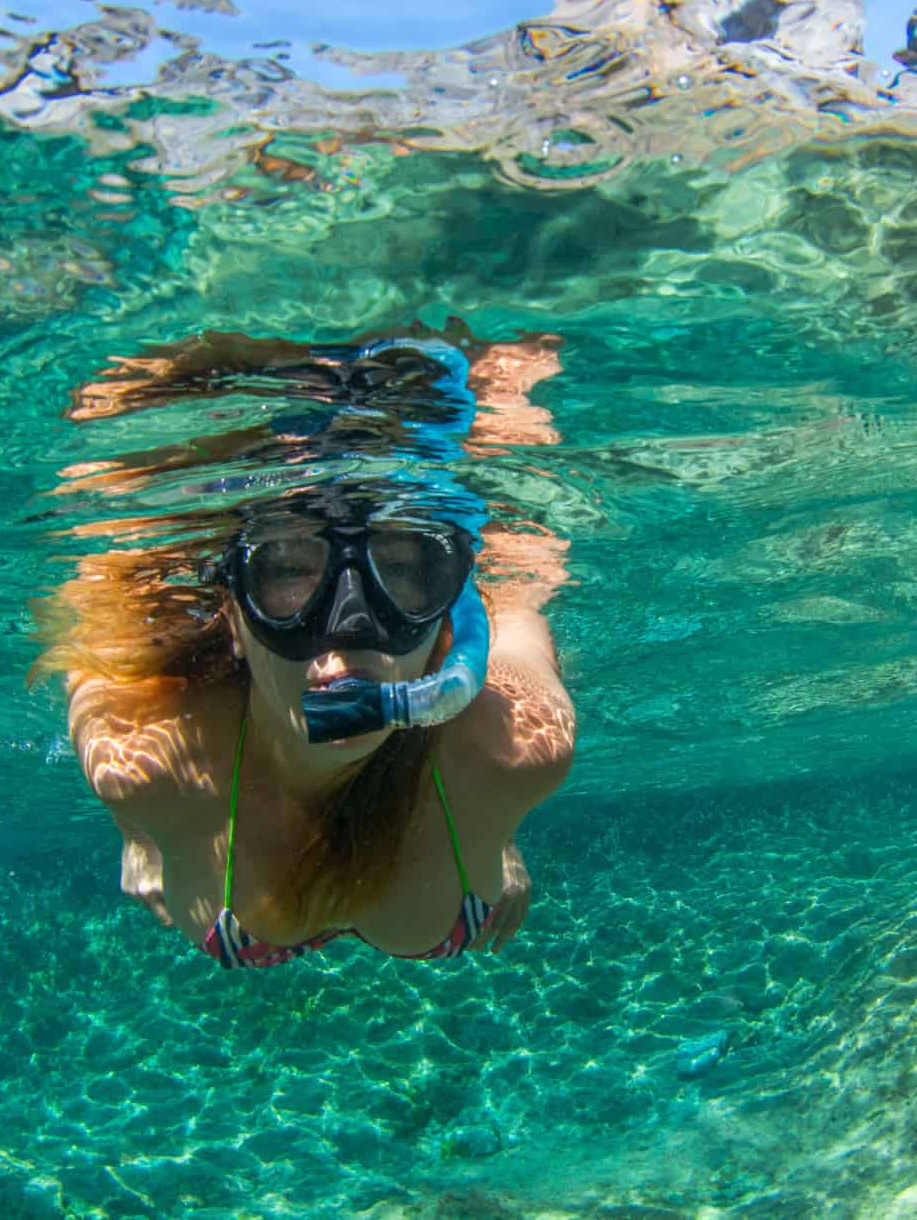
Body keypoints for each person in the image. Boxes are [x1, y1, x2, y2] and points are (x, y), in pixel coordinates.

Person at [33, 331, 574, 966]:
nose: (346, 644)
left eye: (403, 572)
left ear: (444, 606)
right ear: (234, 617)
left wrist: (495, 827)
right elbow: (98, 642)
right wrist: (139, 833)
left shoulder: (512, 753)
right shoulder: (145, 763)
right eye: (288, 574)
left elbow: (518, 624)